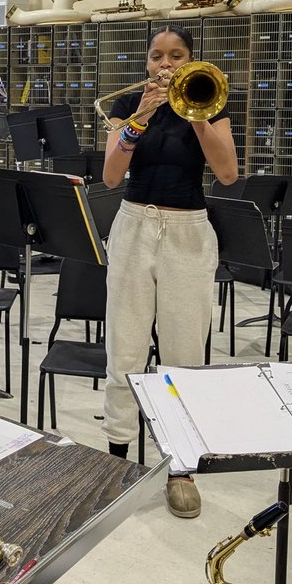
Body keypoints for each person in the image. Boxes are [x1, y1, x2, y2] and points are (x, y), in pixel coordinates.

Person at [100, 26, 239, 519]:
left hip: (188, 232)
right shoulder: (131, 106)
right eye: (157, 55)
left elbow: (227, 174)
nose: (166, 63)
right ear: (146, 62)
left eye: (176, 55)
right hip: (134, 225)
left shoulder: (208, 97)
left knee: (183, 356)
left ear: (190, 60)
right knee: (125, 349)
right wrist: (142, 115)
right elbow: (112, 176)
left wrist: (197, 115)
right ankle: (116, 461)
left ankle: (181, 467)